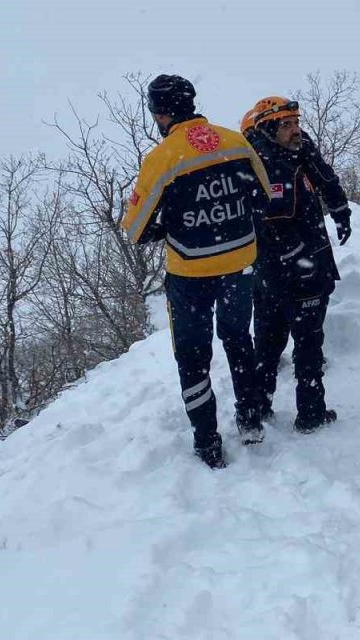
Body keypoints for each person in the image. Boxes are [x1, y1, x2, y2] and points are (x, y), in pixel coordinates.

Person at [122, 74, 272, 468]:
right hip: (240, 262)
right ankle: (251, 417)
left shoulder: (162, 158)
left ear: (160, 113)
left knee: (191, 356)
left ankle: (207, 441)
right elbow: (263, 195)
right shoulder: (235, 140)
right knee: (239, 339)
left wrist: (172, 220)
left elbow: (135, 229)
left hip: (190, 273)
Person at [241, 96, 352, 434]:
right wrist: (297, 255)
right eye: (286, 125)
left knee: (277, 342)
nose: (295, 130)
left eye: (296, 122)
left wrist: (341, 210)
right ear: (268, 128)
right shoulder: (265, 163)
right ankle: (308, 412)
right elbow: (271, 221)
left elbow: (325, 177)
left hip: (292, 267)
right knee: (300, 343)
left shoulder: (298, 149)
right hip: (291, 271)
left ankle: (264, 405)